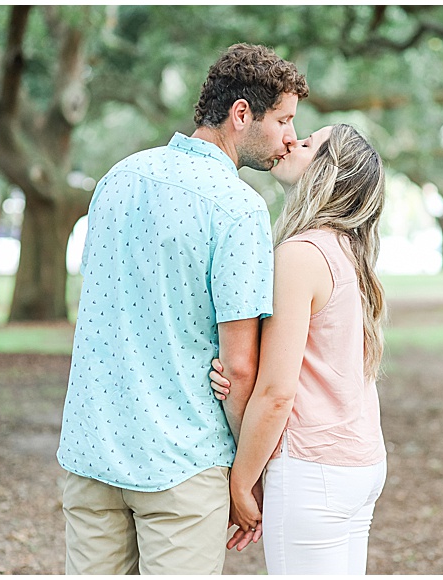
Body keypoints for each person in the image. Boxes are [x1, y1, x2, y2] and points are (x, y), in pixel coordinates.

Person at [55, 43, 309, 575]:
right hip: (182, 467)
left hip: (91, 451)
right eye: (284, 119)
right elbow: (239, 368)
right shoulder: (238, 208)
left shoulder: (115, 180)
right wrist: (247, 474)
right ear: (242, 114)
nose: (290, 136)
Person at [209, 124, 388, 574]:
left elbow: (276, 393)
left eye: (307, 143)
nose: (292, 141)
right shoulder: (351, 251)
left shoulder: (301, 255)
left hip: (315, 468)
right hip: (361, 464)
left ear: (328, 172)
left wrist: (241, 482)